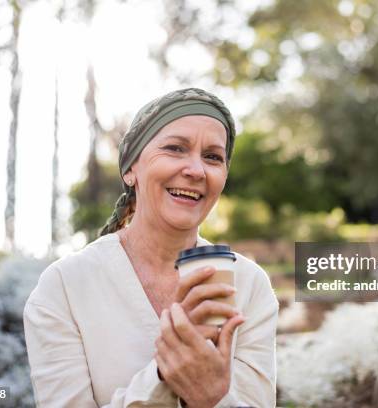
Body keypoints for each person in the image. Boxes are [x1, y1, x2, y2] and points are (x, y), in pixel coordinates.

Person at [23, 88, 279, 407]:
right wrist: (163, 376)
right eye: (175, 148)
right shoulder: (64, 287)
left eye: (213, 157)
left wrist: (211, 399)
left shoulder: (249, 283)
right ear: (131, 169)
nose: (196, 171)